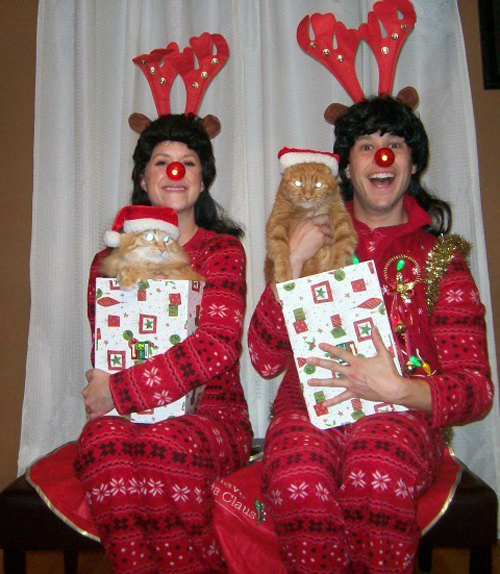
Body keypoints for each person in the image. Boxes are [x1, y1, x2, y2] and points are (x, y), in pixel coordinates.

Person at [248, 95, 493, 573]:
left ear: (412, 163)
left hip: (401, 417)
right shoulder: (305, 238)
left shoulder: (442, 260)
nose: (382, 155)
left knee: (374, 472)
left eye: (395, 144)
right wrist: (290, 262)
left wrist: (399, 389)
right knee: (298, 477)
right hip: (308, 411)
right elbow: (264, 358)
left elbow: (475, 389)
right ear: (346, 165)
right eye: (366, 145)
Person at [75, 113, 252, 573]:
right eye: (162, 161)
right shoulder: (107, 261)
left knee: (168, 444)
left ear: (203, 180)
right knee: (101, 441)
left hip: (212, 415)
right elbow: (108, 343)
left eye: (188, 162)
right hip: (125, 416)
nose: (176, 171)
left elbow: (216, 348)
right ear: (142, 178)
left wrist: (119, 390)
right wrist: (107, 389)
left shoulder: (222, 252)